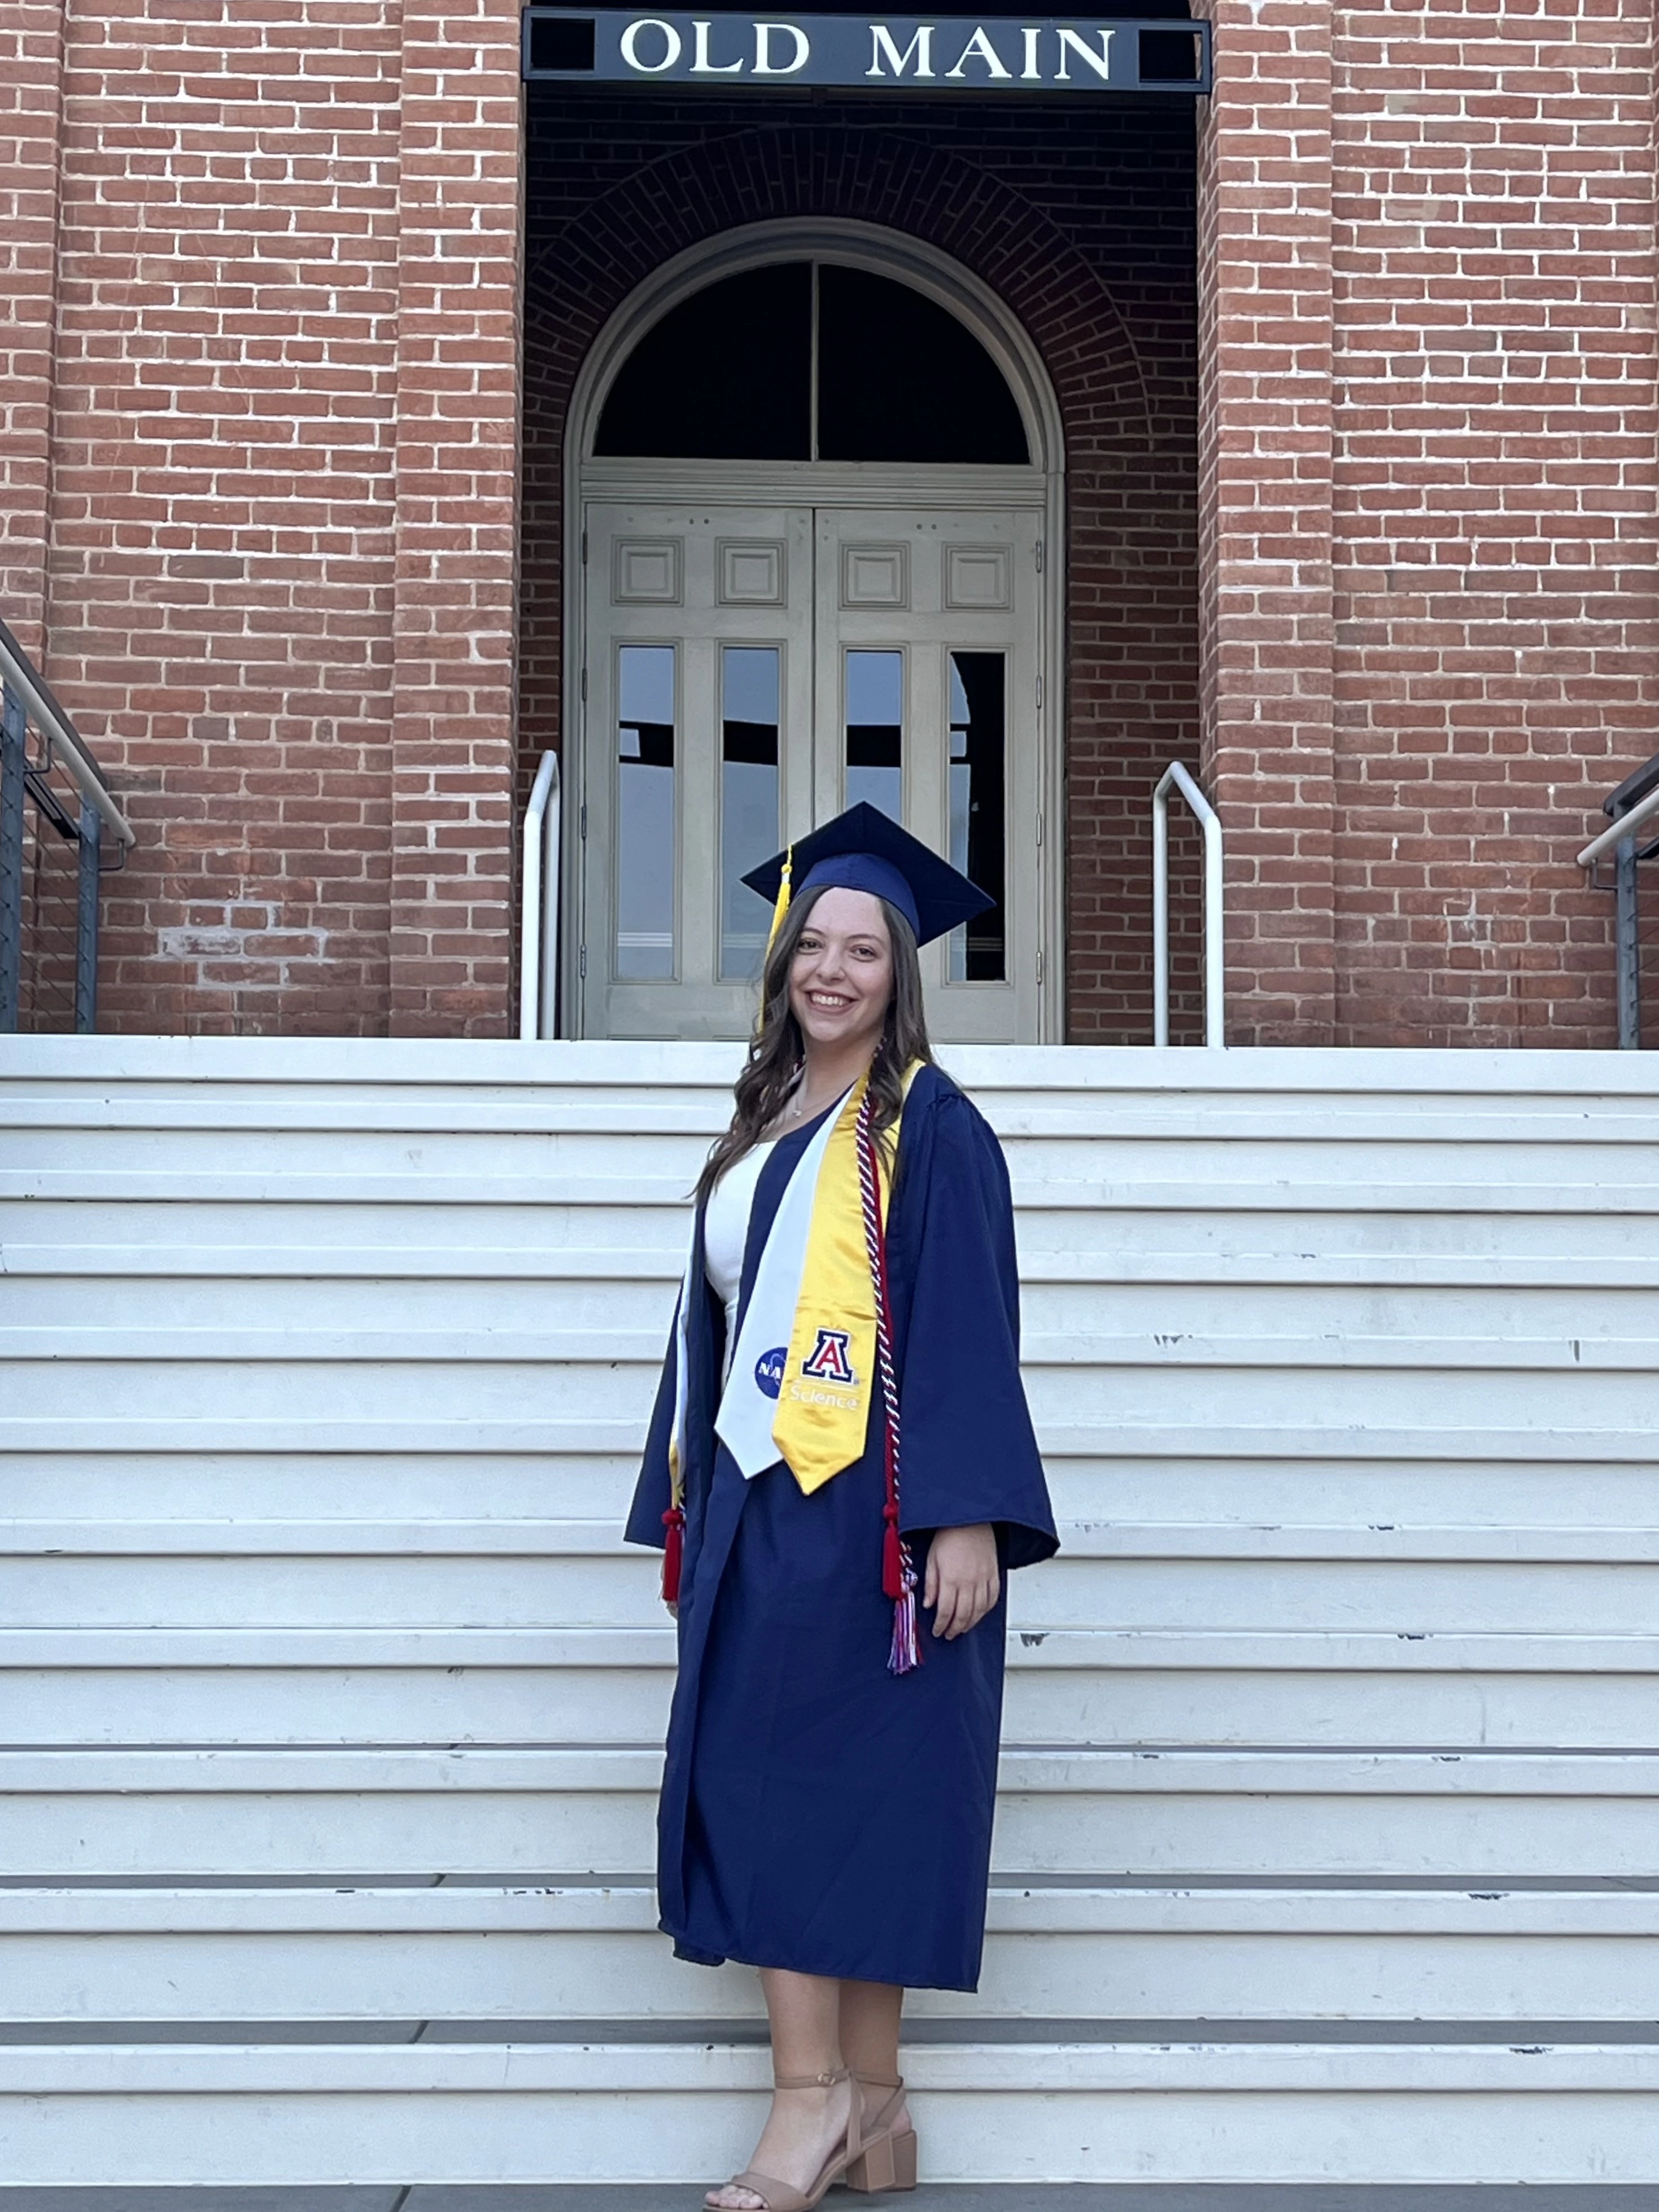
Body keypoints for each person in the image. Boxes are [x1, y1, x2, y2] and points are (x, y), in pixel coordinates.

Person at [627, 803, 1057, 2212]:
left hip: (868, 1516)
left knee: (834, 1810)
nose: (830, 968)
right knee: (785, 1802)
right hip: (759, 1507)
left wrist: (966, 1513)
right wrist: (681, 1505)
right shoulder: (763, 1120)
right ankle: (871, 2106)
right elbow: (712, 1319)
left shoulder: (930, 1126)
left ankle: (809, 2109)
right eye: (810, 942)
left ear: (900, 971)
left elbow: (966, 1326)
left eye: (860, 947)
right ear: (779, 962)